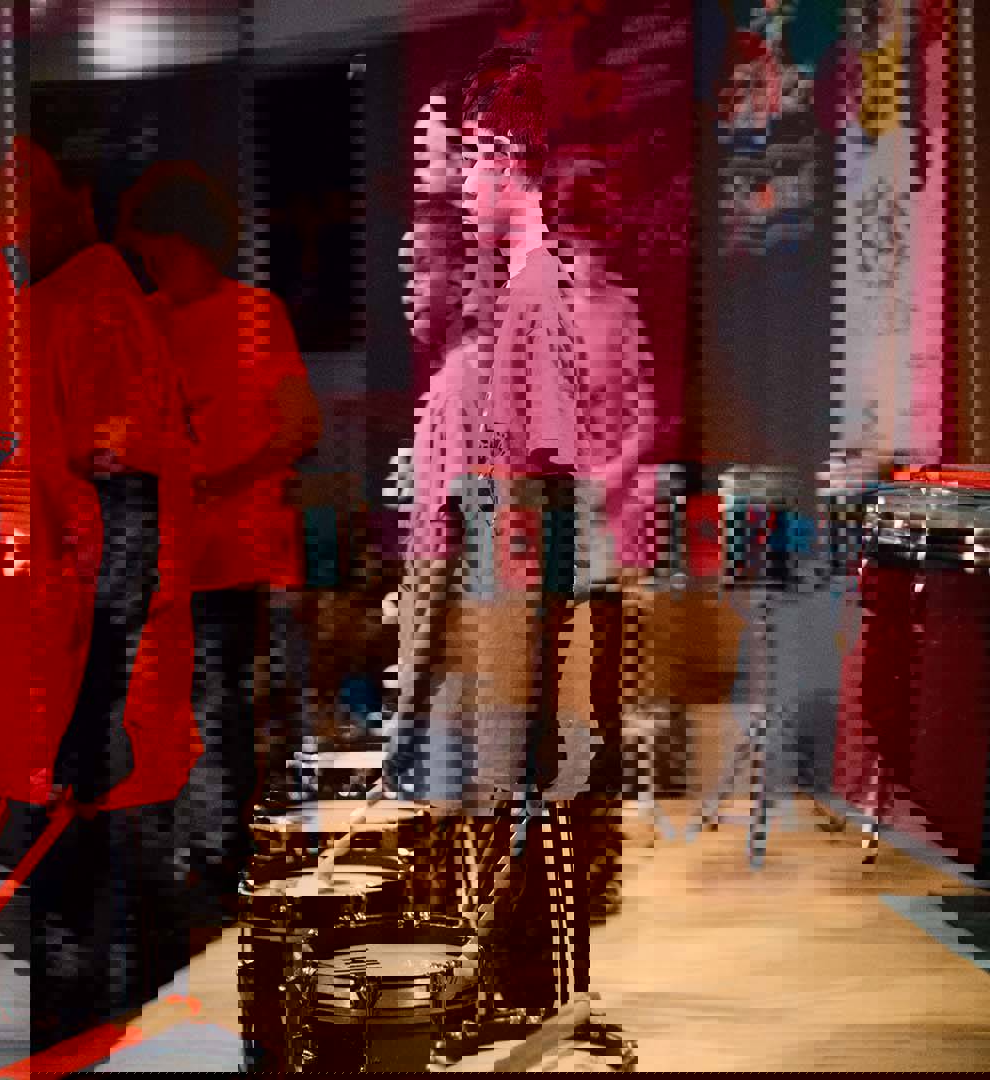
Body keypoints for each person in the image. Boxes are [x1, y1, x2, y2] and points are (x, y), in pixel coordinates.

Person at [388, 46, 655, 1019]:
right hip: (495, 557)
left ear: (503, 156)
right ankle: (509, 969)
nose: (453, 188)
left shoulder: (542, 283)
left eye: (460, 166)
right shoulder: (507, 282)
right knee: (496, 776)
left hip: (512, 563)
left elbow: (545, 465)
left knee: (520, 774)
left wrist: (495, 573)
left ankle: (522, 980)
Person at [0, 133, 201, 1053]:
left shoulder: (95, 314)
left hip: (95, 676)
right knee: (71, 932)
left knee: (91, 948)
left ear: (75, 197)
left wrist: (95, 706)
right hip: (64, 674)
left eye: (22, 200)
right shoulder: (52, 309)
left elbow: (131, 508)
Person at [119, 162, 322, 925]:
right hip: (161, 553)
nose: (148, 264)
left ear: (188, 240)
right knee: (167, 707)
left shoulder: (254, 314)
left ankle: (225, 856)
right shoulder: (143, 322)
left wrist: (224, 478)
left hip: (234, 553)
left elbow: (301, 429)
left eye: (156, 250)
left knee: (220, 701)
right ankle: (196, 851)